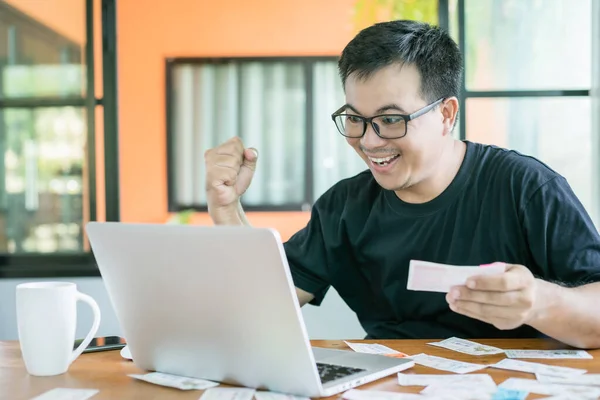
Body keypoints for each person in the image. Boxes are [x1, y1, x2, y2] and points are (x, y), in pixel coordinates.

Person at [204, 20, 600, 348]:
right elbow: (264, 307)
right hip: (385, 384)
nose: (369, 141)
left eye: (391, 119)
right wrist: (226, 210)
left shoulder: (526, 188)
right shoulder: (344, 207)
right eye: (355, 118)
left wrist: (537, 303)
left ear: (446, 114)